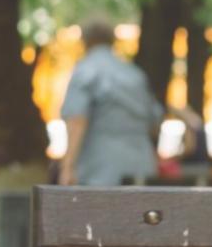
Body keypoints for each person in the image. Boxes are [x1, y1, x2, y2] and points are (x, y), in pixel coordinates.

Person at [58, 19, 163, 188]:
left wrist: (67, 166)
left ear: (85, 41)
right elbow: (154, 122)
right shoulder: (134, 74)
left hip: (100, 165)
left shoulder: (85, 70)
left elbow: (77, 120)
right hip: (142, 163)